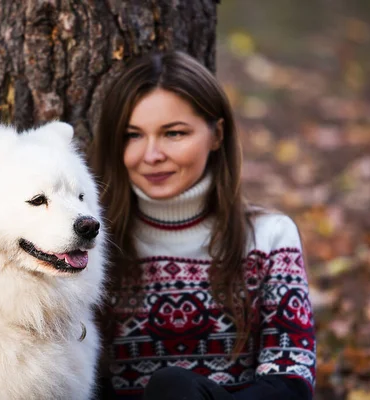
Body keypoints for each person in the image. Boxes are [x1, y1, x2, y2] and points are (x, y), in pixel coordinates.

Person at [89, 50, 316, 400]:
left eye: (173, 133)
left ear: (216, 135)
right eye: (133, 136)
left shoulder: (269, 237)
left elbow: (291, 380)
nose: (151, 155)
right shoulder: (94, 243)